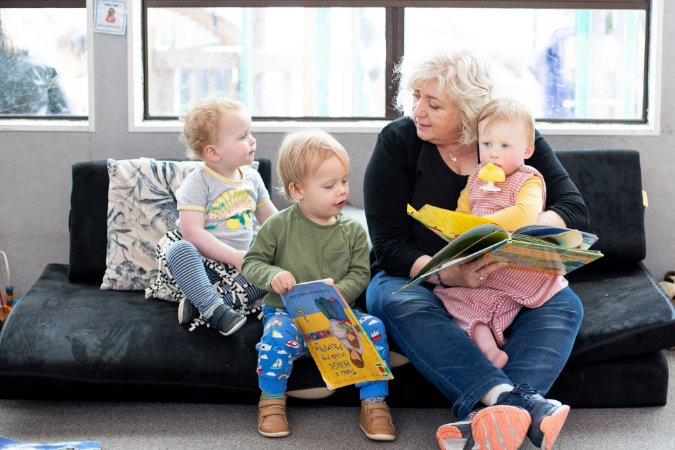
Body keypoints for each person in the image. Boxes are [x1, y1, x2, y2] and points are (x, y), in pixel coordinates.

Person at [364, 49, 588, 450]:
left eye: (433, 104)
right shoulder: (398, 142)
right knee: (391, 297)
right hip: (425, 275)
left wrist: (527, 235)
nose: (418, 111)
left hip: (509, 275)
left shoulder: (511, 134)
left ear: (469, 112)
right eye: (415, 97)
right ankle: (515, 404)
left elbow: (574, 210)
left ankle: (488, 419)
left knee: (564, 304)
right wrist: (446, 273)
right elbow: (387, 245)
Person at [242, 129, 395, 441]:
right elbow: (251, 263)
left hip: (338, 316)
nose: (341, 191)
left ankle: (375, 403)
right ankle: (271, 401)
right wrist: (273, 275)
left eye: (344, 181)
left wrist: (340, 293)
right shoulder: (278, 226)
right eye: (329, 185)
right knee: (276, 335)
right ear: (297, 189)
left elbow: (359, 273)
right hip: (288, 315)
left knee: (374, 326)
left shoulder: (353, 229)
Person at [434, 98, 568, 370]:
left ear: (527, 150)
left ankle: (493, 345)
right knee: (461, 300)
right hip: (483, 261)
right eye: (487, 144)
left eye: (505, 146)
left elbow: (524, 215)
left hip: (514, 262)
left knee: (493, 297)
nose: (494, 153)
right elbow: (461, 215)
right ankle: (488, 348)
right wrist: (455, 231)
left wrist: (479, 225)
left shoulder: (528, 179)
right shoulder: (476, 178)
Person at [161, 94, 277, 336]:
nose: (252, 140)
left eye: (250, 133)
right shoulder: (198, 183)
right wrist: (233, 255)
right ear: (213, 152)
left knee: (273, 270)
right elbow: (192, 233)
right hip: (199, 267)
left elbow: (273, 222)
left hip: (237, 270)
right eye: (243, 136)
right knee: (179, 248)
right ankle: (216, 312)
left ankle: (201, 304)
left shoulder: (252, 178)